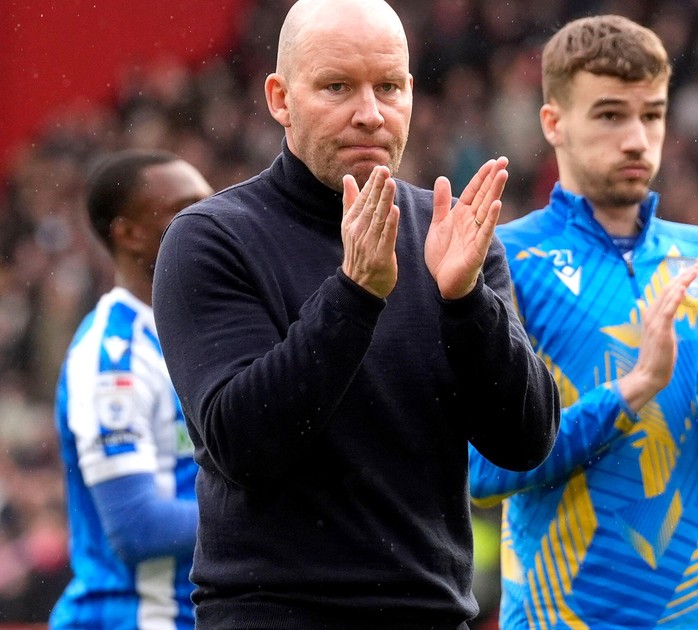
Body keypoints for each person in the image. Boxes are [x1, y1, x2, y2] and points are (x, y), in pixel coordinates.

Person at [151, 0, 560, 626]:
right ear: (280, 99)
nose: (370, 113)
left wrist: (466, 302)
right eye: (337, 87)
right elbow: (244, 446)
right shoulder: (211, 239)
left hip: (431, 616)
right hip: (275, 616)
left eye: (388, 87)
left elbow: (525, 441)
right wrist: (354, 295)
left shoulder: (450, 237)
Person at [468, 15, 698, 628]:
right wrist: (632, 391)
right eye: (611, 115)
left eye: (653, 115)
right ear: (553, 122)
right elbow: (483, 472)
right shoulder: (506, 260)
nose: (638, 139)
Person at [50, 150, 212, 629]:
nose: (209, 217)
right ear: (129, 233)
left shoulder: (203, 328)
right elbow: (139, 528)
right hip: (137, 617)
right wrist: (281, 513)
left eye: (210, 201)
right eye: (184, 208)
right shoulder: (112, 359)